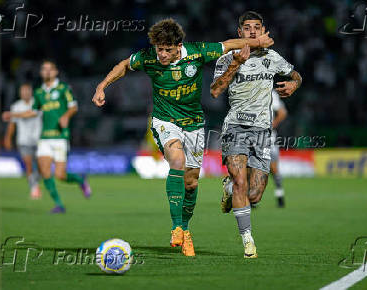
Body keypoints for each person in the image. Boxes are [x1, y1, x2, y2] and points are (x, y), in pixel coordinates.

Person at [92, 18, 274, 256]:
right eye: (160, 50)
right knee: (176, 160)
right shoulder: (147, 57)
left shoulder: (197, 53)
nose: (163, 55)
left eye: (168, 50)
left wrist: (256, 41)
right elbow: (125, 65)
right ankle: (176, 227)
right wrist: (101, 86)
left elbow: (228, 44)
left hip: (194, 125)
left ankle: (186, 230)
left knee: (191, 182)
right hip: (165, 121)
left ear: (179, 46)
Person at [210, 11, 302, 258]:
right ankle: (248, 240)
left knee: (255, 194)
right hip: (235, 127)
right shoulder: (228, 57)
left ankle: (228, 191)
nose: (252, 32)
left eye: (257, 28)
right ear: (239, 33)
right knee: (241, 181)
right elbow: (215, 91)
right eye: (247, 28)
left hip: (262, 131)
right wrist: (236, 63)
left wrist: (294, 84)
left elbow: (296, 75)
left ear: (263, 32)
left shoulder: (272, 58)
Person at [2, 60, 91, 213]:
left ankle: (80, 180)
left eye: (50, 69)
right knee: (45, 172)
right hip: (45, 138)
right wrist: (13, 114)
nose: (47, 71)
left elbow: (74, 107)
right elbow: (33, 112)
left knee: (60, 175)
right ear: (41, 73)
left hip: (61, 137)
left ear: (56, 72)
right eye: (44, 69)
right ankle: (59, 205)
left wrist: (66, 116)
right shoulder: (39, 92)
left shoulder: (63, 89)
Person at [3, 83, 42, 199]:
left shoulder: (37, 103)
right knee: (28, 164)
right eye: (23, 91)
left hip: (38, 140)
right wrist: (8, 138)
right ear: (20, 93)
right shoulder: (16, 106)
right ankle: (34, 188)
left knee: (42, 167)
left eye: (27, 91)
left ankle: (35, 181)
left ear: (31, 92)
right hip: (23, 141)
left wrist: (12, 114)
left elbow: (30, 115)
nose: (25, 93)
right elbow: (12, 124)